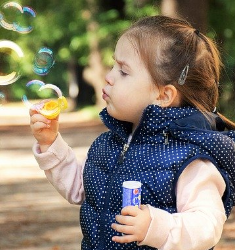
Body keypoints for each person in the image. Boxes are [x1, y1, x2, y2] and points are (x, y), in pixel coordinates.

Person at [29, 15, 235, 250]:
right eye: (113, 65)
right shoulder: (108, 144)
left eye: (123, 72)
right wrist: (50, 143)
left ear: (163, 95)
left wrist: (155, 227)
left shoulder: (189, 158)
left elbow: (207, 224)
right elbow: (79, 188)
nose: (109, 76)